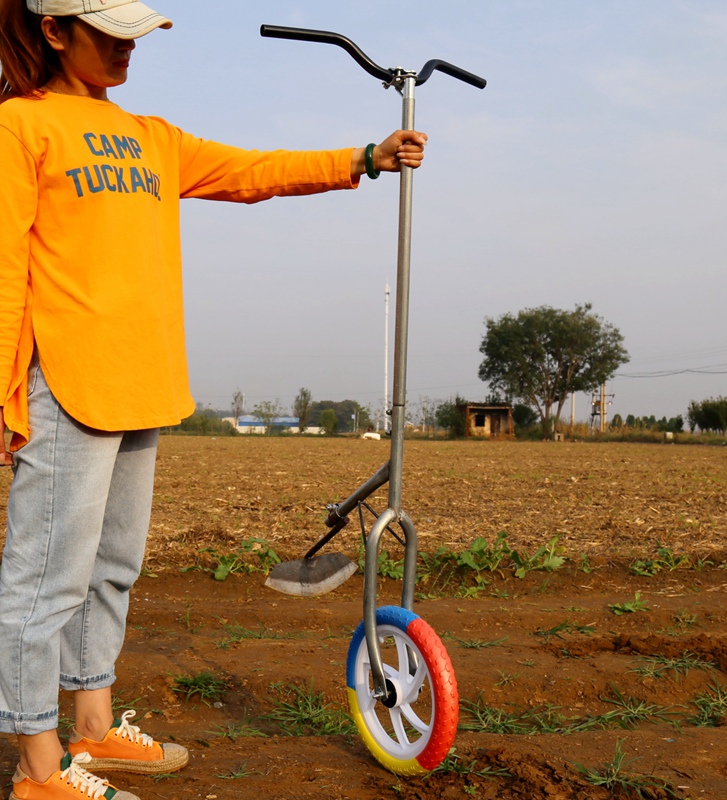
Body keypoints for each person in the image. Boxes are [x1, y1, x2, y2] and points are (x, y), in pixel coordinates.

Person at [0, 1, 427, 798]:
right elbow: (4, 272)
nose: (129, 50)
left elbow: (251, 171)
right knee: (42, 581)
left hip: (142, 383)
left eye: (135, 35)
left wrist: (365, 157)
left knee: (112, 569)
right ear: (55, 30)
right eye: (110, 35)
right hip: (68, 383)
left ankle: (93, 730)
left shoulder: (152, 135)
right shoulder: (22, 126)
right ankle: (37, 769)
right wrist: (3, 395)